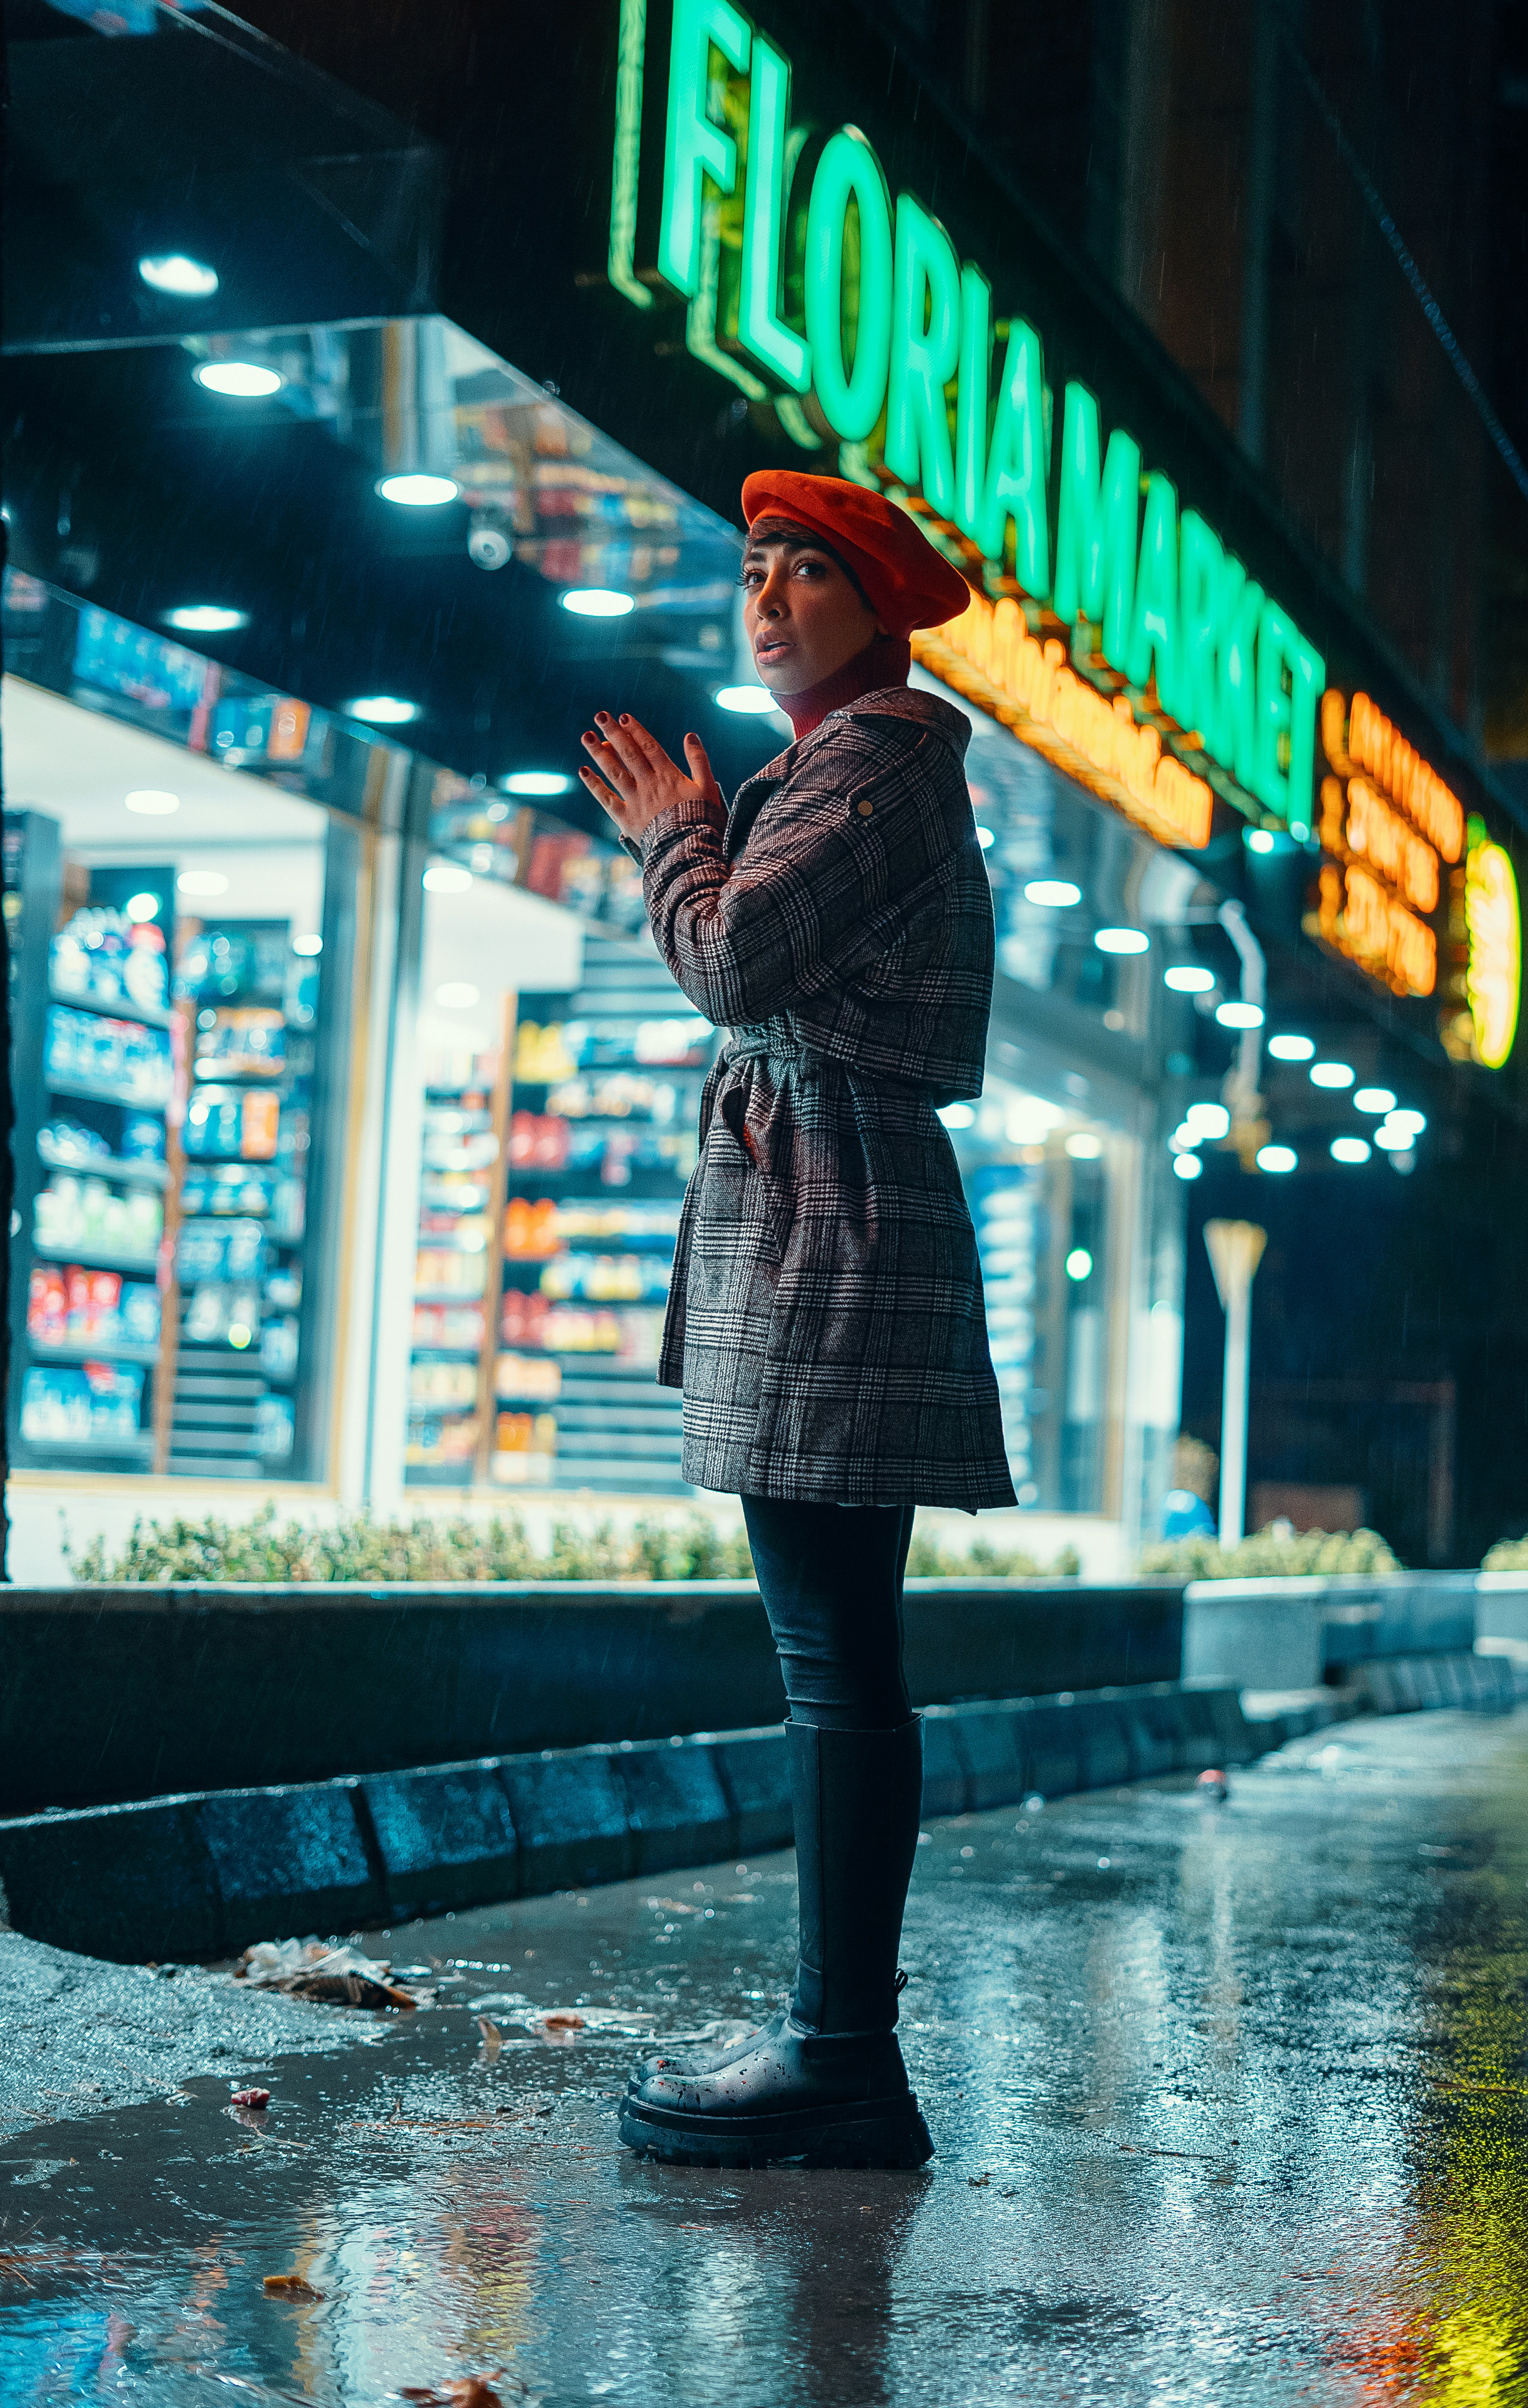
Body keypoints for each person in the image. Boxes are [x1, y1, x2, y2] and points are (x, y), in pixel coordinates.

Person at [576, 470, 1015, 2169]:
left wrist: (671, 831)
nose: (764, 598)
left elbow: (734, 961)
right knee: (835, 1652)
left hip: (837, 1223)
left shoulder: (880, 757)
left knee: (834, 1658)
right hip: (831, 1207)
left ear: (879, 608)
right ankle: (841, 2050)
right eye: (753, 567)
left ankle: (841, 2057)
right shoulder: (848, 758)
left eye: (806, 571)